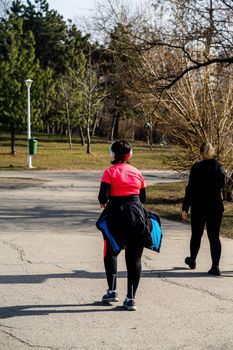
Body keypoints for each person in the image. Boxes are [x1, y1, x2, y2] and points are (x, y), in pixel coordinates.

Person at [98, 140, 147, 311]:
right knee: (134, 258)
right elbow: (143, 198)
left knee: (111, 252)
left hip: (115, 217)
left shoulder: (109, 172)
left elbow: (103, 197)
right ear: (130, 155)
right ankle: (130, 298)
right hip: (136, 217)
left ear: (112, 154)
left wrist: (105, 202)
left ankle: (112, 290)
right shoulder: (137, 172)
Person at [182, 142, 225, 276]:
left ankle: (193, 260)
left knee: (196, 234)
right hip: (215, 206)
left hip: (199, 206)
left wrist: (185, 208)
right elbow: (223, 185)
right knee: (214, 236)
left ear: (200, 153)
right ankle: (215, 266)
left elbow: (190, 189)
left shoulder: (196, 168)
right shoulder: (219, 168)